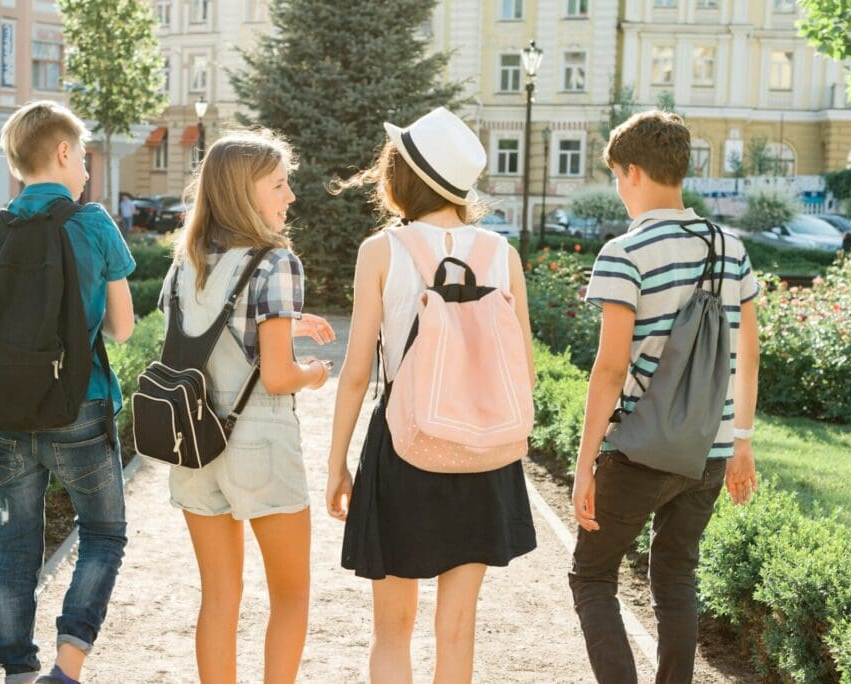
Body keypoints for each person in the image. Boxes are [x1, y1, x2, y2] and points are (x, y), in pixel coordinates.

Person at [326, 107, 537, 682]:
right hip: (484, 450)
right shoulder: (501, 253)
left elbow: (355, 372)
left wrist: (337, 462)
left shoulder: (383, 250)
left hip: (404, 442)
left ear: (403, 177)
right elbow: (526, 369)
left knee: (392, 630)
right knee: (459, 628)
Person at [569, 110, 760, 684]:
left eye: (618, 179)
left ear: (632, 172)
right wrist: (742, 443)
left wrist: (584, 467)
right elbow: (748, 354)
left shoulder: (625, 252)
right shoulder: (731, 247)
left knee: (592, 578)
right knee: (676, 576)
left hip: (639, 450)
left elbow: (609, 369)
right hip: (711, 448)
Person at [0, 100, 136, 683]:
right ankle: (68, 664)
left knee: (16, 550)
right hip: (79, 407)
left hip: (4, 420)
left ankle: (18, 674)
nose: (85, 168)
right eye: (82, 155)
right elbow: (123, 328)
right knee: (103, 535)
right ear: (61, 153)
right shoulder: (94, 223)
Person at [162, 129, 335, 683]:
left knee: (218, 597)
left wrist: (289, 324)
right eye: (280, 185)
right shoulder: (274, 262)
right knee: (290, 596)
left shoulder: (184, 262)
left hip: (191, 440)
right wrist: (313, 375)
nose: (289, 197)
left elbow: (203, 337)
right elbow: (280, 375)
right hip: (258, 441)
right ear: (244, 191)